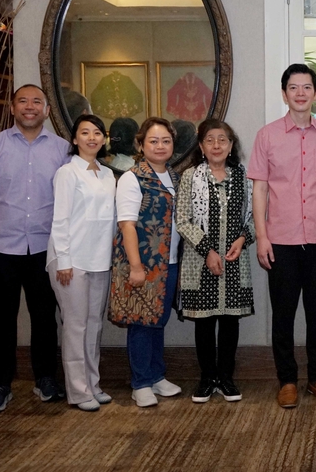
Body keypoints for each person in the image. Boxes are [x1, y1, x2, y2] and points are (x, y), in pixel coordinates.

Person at [0, 83, 69, 414]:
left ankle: (45, 379)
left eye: (37, 101)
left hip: (44, 247)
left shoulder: (63, 149)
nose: (29, 106)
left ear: (46, 110)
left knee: (45, 318)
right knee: (0, 320)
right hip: (1, 248)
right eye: (23, 101)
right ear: (12, 108)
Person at [248, 63, 316, 408]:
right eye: (293, 87)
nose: (300, 93)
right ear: (284, 94)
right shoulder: (267, 135)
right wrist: (262, 236)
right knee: (283, 315)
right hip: (280, 240)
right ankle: (287, 380)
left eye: (306, 87)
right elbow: (260, 190)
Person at [176, 118, 255, 404]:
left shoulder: (244, 177)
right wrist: (208, 250)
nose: (216, 145)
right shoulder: (190, 177)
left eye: (222, 139)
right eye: (210, 140)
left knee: (231, 321)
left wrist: (243, 239)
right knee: (205, 322)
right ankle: (207, 379)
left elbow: (256, 217)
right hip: (200, 262)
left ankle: (227, 378)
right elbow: (182, 220)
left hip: (235, 260)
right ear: (201, 146)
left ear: (231, 145)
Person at [108, 117, 183, 407]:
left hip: (169, 261)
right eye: (153, 141)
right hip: (142, 262)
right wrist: (136, 267)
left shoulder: (174, 177)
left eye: (166, 140)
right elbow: (127, 224)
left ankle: (156, 375)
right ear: (141, 145)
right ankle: (140, 382)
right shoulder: (132, 178)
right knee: (140, 321)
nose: (160, 146)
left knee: (157, 320)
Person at [46, 114, 116, 412]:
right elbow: (60, 219)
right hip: (70, 261)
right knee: (75, 326)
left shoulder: (107, 174)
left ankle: (93, 384)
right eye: (85, 133)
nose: (92, 138)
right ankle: (77, 390)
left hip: (100, 259)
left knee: (94, 325)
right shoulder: (67, 172)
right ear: (74, 139)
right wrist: (63, 259)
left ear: (104, 139)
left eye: (97, 132)